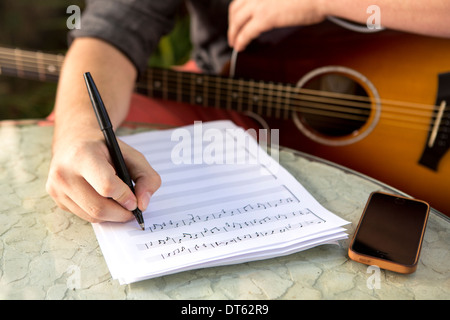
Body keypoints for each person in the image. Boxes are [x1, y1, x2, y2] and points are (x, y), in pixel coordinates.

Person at [46, 0, 450, 225]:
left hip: (414, 85)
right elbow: (114, 28)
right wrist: (79, 133)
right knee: (79, 157)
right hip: (229, 94)